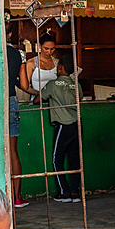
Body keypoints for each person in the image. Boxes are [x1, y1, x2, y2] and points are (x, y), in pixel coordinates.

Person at [41, 50, 83, 204]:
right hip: (77, 124)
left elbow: (39, 99)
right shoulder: (76, 84)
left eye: (58, 67)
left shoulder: (52, 84)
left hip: (62, 126)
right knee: (75, 160)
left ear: (62, 68)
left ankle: (64, 192)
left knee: (56, 159)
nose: (57, 70)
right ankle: (75, 193)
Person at [6, 40, 28, 208]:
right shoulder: (18, 54)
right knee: (13, 151)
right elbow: (23, 85)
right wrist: (38, 93)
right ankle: (17, 197)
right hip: (12, 100)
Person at [20, 32, 58, 100]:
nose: (49, 52)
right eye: (46, 48)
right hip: (37, 100)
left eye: (52, 49)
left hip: (54, 101)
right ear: (40, 46)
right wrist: (41, 95)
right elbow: (25, 87)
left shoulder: (57, 63)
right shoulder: (31, 63)